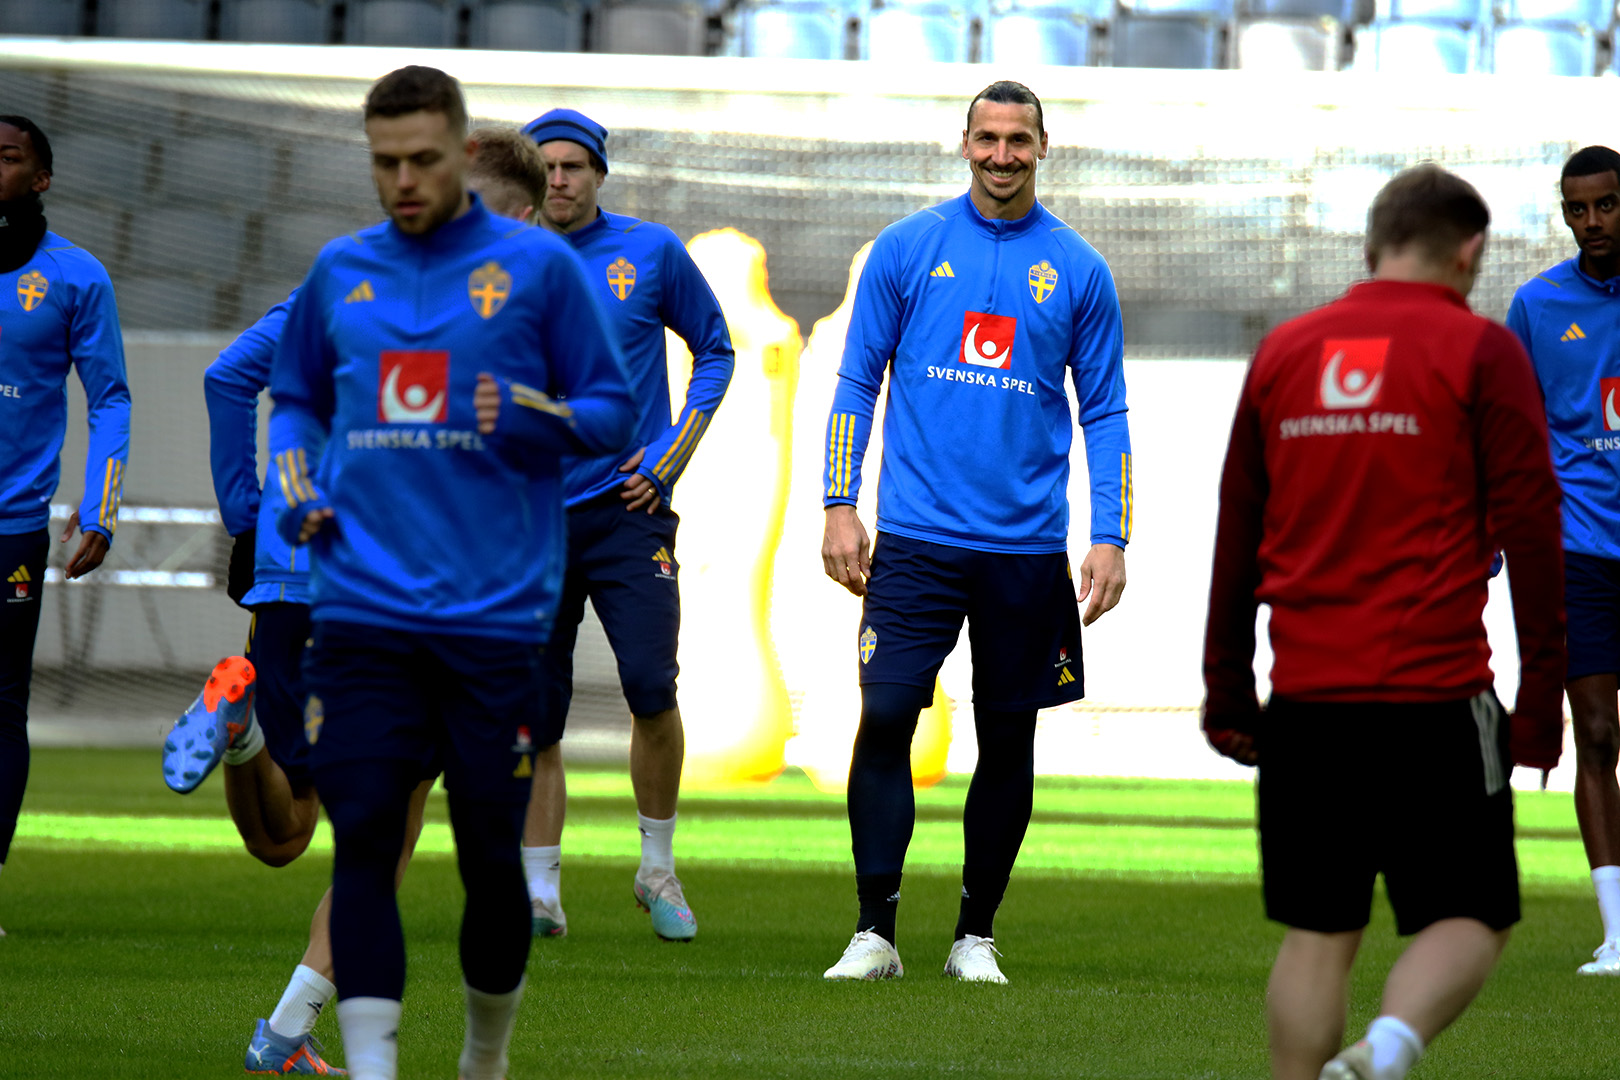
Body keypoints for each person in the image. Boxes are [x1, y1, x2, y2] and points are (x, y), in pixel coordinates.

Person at [268, 67, 634, 1080]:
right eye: (385, 163)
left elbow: (612, 415)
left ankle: (485, 1057)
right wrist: (294, 483)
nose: (403, 181)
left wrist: (528, 415)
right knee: (367, 846)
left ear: (462, 149)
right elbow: (293, 398)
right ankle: (375, 1069)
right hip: (363, 617)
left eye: (423, 159)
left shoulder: (539, 271)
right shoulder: (340, 272)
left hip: (495, 624)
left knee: (487, 862)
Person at [165, 126, 549, 1076]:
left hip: (292, 583)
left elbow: (227, 378)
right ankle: (286, 1032)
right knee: (392, 825)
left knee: (289, 834)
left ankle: (243, 723)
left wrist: (246, 509)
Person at [1202, 164, 1566, 1080]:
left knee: (1318, 935)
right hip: (1435, 703)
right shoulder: (1483, 351)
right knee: (1473, 916)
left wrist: (1227, 690)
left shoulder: (1284, 352)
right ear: (1471, 249)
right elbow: (1533, 539)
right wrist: (1541, 704)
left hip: (1309, 707)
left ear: (1373, 246)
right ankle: (1386, 1052)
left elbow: (1236, 535)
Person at [818, 81, 1130, 985]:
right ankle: (875, 932)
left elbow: (1105, 411)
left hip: (1027, 552)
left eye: (1018, 140)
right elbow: (854, 385)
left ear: (1043, 147)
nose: (1002, 155)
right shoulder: (907, 249)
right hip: (915, 542)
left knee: (1009, 737)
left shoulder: (1079, 269)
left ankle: (974, 937)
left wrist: (1111, 533)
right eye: (988, 138)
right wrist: (840, 503)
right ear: (963, 144)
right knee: (883, 718)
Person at [515, 107, 734, 942]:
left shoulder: (650, 252)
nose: (560, 178)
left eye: (575, 165)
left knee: (651, 685)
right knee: (537, 709)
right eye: (547, 165)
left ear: (599, 174)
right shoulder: (495, 261)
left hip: (627, 510)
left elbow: (715, 348)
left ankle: (657, 869)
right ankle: (540, 891)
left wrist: (670, 457)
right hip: (529, 520)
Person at [0, 114, 130, 938]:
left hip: (11, 526)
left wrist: (101, 505)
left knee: (1, 703)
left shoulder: (75, 277)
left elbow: (109, 398)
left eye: (7, 158)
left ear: (40, 178)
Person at [1505, 144, 1620, 978]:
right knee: (1600, 732)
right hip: (1577, 552)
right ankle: (1617, 934)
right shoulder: (1536, 306)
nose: (1592, 222)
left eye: (1606, 205)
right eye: (1577, 209)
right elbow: (1508, 434)